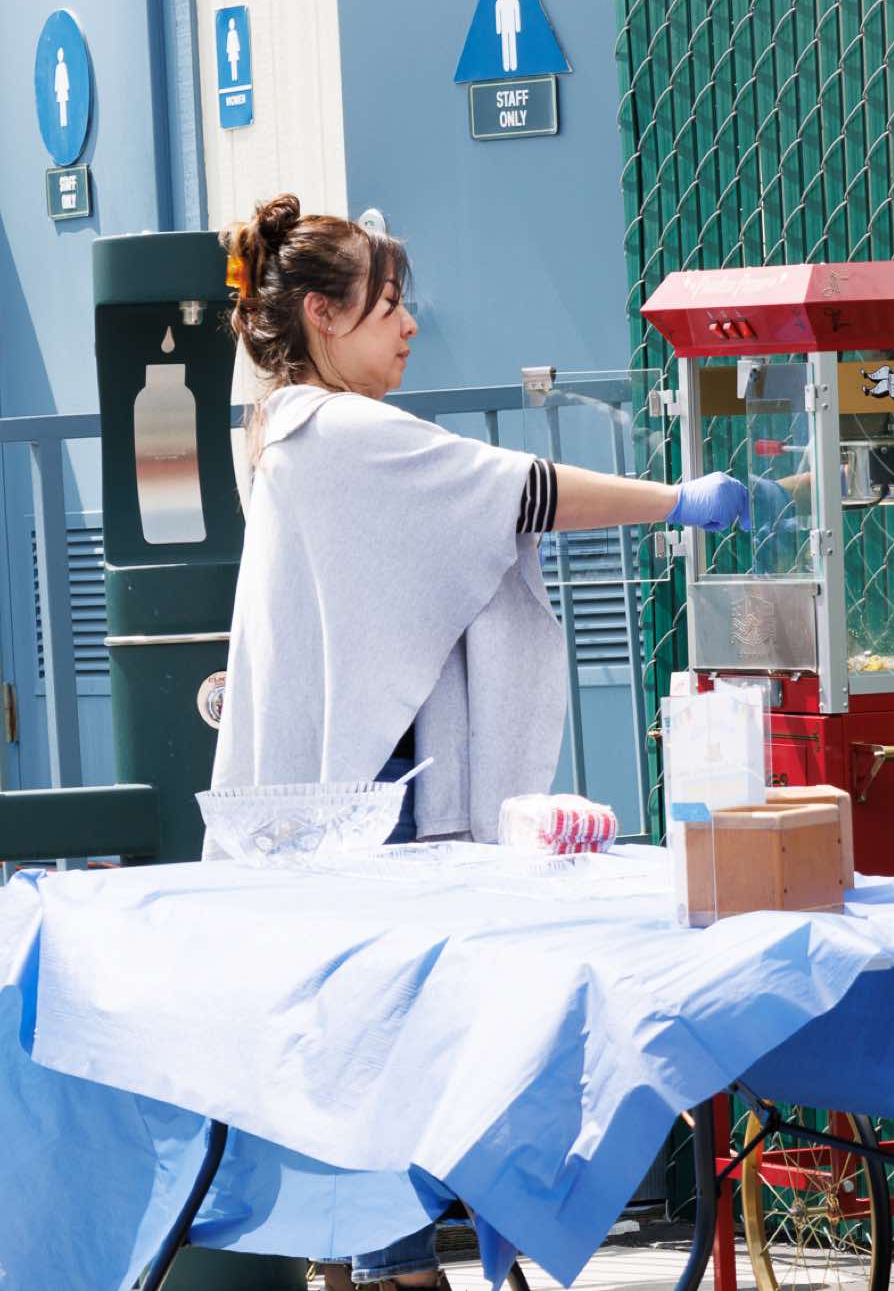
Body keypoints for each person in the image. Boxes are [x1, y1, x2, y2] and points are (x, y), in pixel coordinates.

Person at [210, 193, 746, 1291]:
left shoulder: (278, 431)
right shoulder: (340, 433)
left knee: (362, 1038)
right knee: (399, 1036)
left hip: (339, 799)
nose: (410, 326)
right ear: (321, 315)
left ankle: (370, 1259)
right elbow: (523, 492)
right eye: (387, 306)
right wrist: (677, 502)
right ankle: (398, 1263)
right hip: (374, 800)